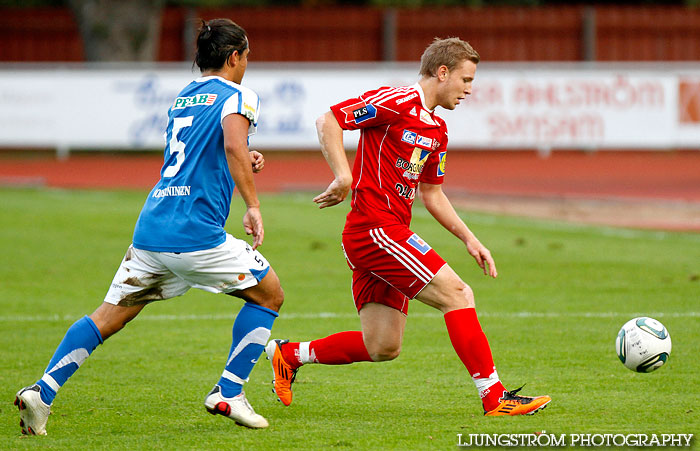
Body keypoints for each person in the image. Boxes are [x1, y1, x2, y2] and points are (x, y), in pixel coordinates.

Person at [15, 18, 283, 434]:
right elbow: (231, 143)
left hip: (152, 228)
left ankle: (42, 391)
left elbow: (205, 152)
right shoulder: (239, 95)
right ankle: (229, 391)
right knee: (269, 296)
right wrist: (253, 204)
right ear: (235, 57)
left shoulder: (185, 96)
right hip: (195, 233)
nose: (247, 64)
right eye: (246, 56)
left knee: (109, 316)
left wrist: (245, 158)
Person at [265, 37, 551, 416]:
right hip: (374, 229)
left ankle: (290, 355)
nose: (469, 90)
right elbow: (329, 119)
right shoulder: (395, 101)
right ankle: (494, 396)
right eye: (465, 80)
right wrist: (343, 176)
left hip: (383, 233)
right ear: (442, 72)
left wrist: (470, 239)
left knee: (383, 345)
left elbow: (432, 195)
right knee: (458, 294)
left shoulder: (438, 132)